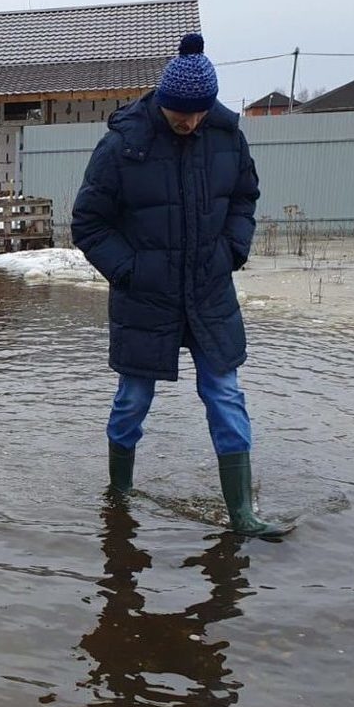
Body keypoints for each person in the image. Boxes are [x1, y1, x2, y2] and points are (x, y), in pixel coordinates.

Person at [71, 33, 288, 537]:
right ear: (164, 102)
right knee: (132, 401)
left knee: (225, 395)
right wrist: (130, 270)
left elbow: (244, 198)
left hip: (210, 290)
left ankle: (242, 514)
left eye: (198, 113)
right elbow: (89, 223)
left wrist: (232, 248)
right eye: (180, 115)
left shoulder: (226, 137)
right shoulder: (124, 144)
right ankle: (119, 496)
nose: (189, 123)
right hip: (146, 295)